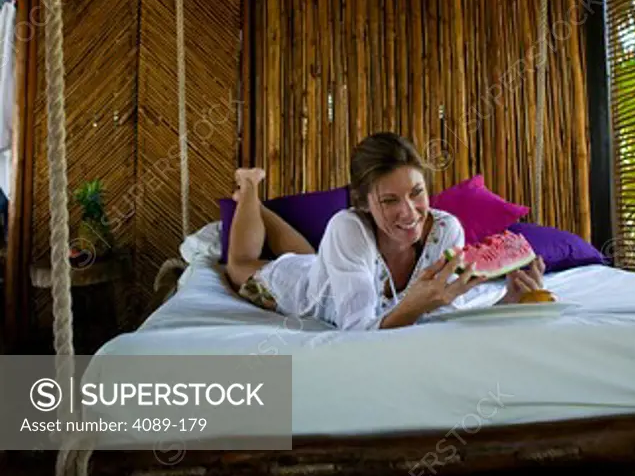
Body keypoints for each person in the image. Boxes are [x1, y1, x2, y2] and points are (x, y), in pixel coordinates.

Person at [225, 132, 546, 331]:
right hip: (305, 290)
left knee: (309, 256)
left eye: (416, 193)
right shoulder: (346, 227)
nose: (409, 213)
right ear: (363, 203)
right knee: (242, 263)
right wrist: (413, 306)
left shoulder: (447, 229)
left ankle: (258, 206)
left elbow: (442, 318)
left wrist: (506, 302)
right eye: (390, 200)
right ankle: (250, 185)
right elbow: (359, 332)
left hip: (328, 266)